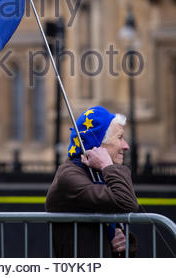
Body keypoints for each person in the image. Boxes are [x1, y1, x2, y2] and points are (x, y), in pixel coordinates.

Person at [45, 106, 139, 257]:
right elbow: (126, 201)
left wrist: (124, 241)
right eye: (120, 138)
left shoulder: (100, 173)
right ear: (98, 145)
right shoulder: (70, 176)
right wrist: (108, 165)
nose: (126, 146)